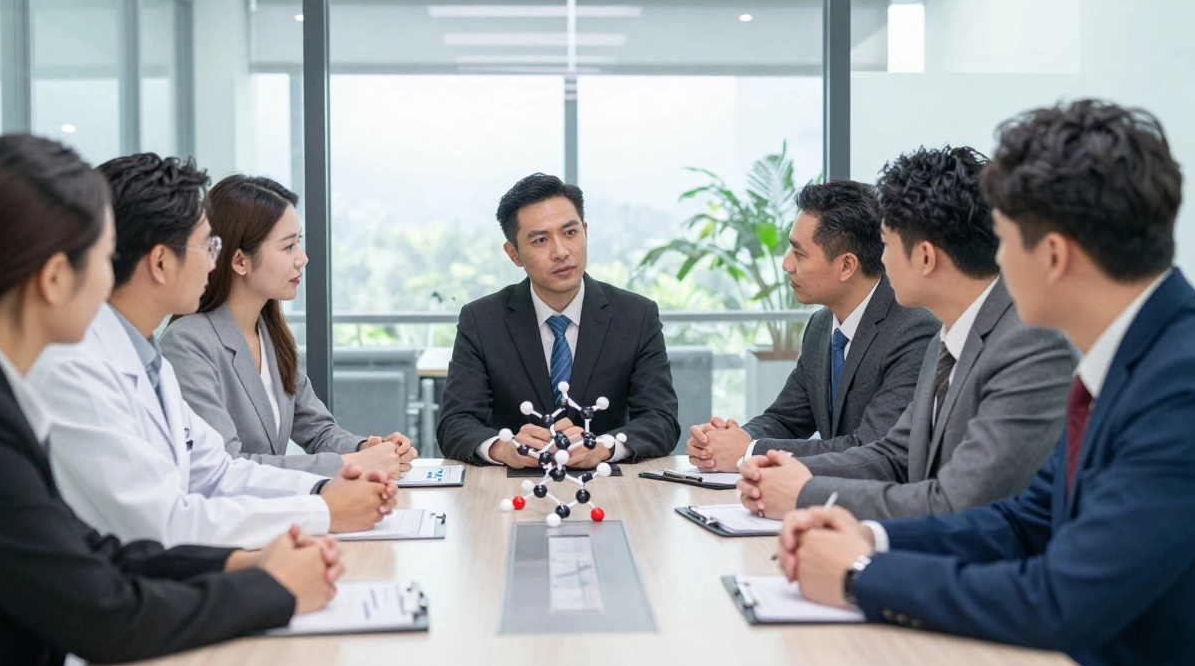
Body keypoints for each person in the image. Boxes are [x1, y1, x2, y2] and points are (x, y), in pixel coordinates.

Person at [778, 100, 1195, 666]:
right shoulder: (1131, 356)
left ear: (1053, 255)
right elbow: (1024, 521)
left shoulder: (1190, 381)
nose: (995, 262)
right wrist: (872, 537)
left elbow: (1063, 599)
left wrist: (860, 575)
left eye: (1005, 241)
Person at [0, 135, 343, 666]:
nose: (114, 278)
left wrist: (240, 562)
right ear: (55, 278)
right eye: (105, 258)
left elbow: (93, 551)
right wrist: (270, 589)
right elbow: (104, 611)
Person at [31, 153, 397, 549]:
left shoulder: (146, 358)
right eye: (208, 245)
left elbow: (219, 474)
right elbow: (164, 523)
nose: (213, 261)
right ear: (160, 261)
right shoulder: (77, 372)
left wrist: (326, 491)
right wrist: (326, 509)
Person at [738, 146, 1075, 520]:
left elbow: (957, 503)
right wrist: (782, 474)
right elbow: (894, 455)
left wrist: (805, 494)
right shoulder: (946, 340)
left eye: (888, 244)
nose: (880, 259)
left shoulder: (1030, 346)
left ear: (926, 257)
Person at [161, 174, 417, 477]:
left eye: (300, 242)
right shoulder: (188, 343)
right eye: (288, 247)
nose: (303, 258)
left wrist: (369, 449)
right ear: (240, 261)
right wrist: (350, 464)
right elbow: (225, 465)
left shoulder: (271, 336)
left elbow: (318, 430)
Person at [686, 180, 937, 472]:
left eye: (799, 253)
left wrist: (748, 451)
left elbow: (870, 448)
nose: (786, 265)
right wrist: (729, 440)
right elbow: (786, 419)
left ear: (846, 266)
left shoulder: (914, 332)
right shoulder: (820, 325)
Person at [437, 173, 680, 467]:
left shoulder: (635, 315)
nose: (561, 252)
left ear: (585, 232)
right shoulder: (482, 320)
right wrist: (504, 448)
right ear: (514, 253)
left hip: (607, 484)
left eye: (570, 233)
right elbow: (454, 423)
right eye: (541, 240)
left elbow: (661, 419)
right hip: (515, 487)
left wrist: (603, 446)